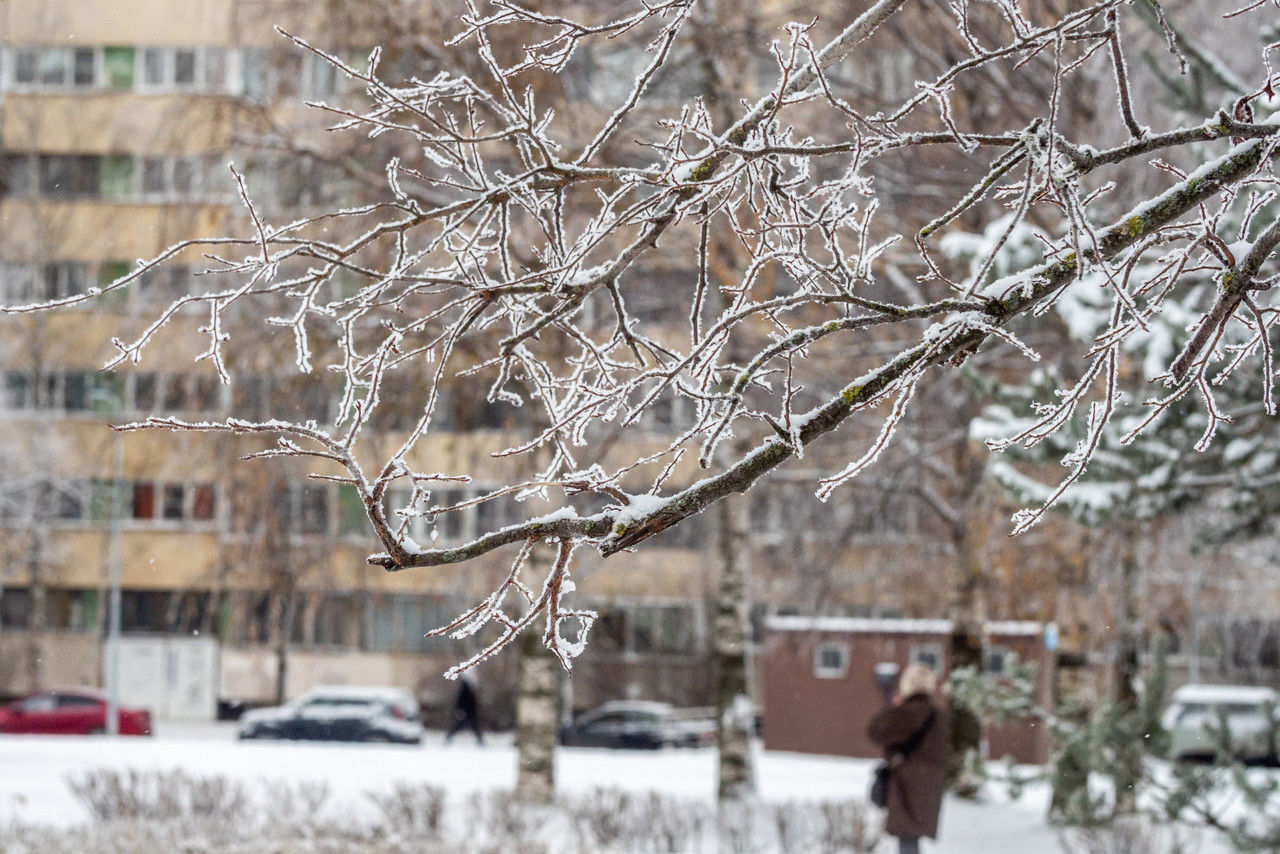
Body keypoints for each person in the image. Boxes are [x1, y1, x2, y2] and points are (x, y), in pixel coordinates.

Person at [868, 663, 951, 854]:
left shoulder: (906, 712)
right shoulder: (940, 716)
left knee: (907, 836)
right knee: (910, 837)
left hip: (906, 784)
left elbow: (876, 732)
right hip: (931, 785)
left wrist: (895, 708)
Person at [445, 675, 483, 744]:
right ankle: (480, 741)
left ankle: (448, 739)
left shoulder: (467, 688)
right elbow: (463, 701)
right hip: (466, 712)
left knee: (470, 727)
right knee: (462, 726)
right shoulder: (466, 688)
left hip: (467, 712)